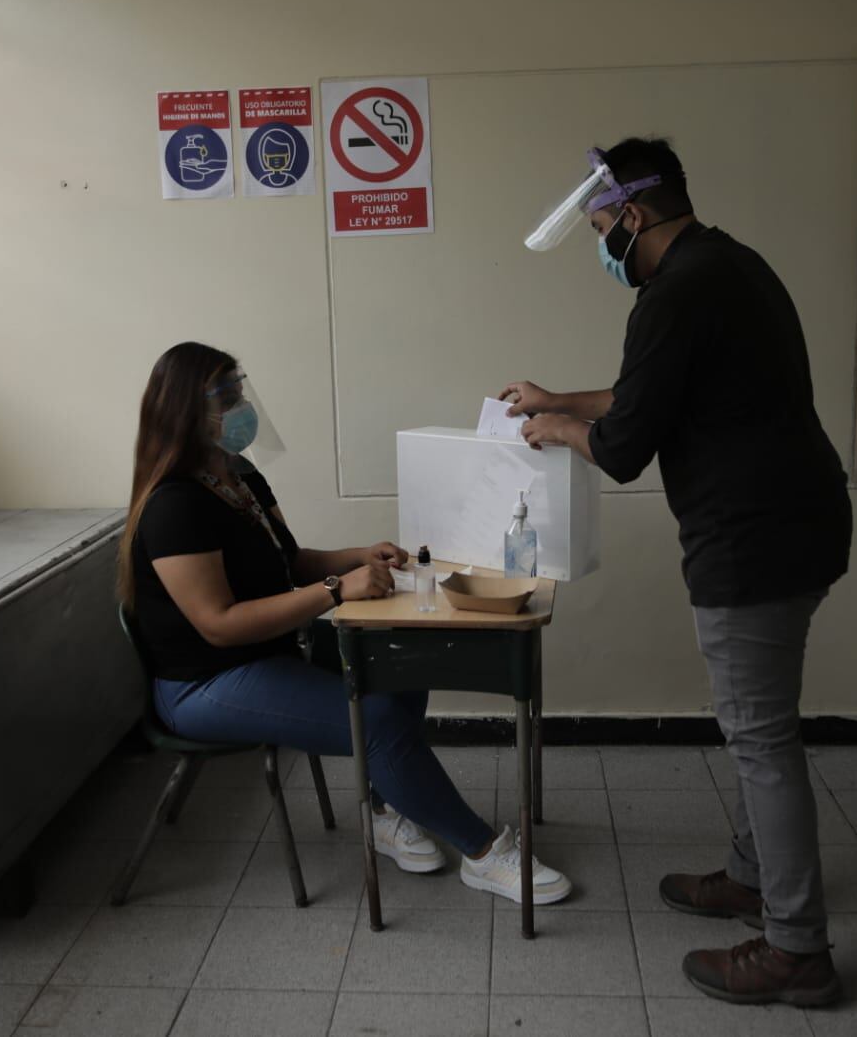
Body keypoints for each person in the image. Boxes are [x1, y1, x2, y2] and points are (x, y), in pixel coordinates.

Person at [504, 138, 851, 1006]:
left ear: (631, 214)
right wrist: (558, 398)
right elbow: (650, 395)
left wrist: (557, 432)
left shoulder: (672, 294)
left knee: (762, 741)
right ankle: (753, 876)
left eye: (600, 231)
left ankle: (796, 950)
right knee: (760, 728)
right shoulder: (728, 265)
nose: (602, 249)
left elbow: (623, 446)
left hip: (752, 539)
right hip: (799, 519)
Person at [117, 341, 571, 904]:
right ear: (186, 411)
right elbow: (219, 625)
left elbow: (288, 560)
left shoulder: (239, 476)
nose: (241, 408)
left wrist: (356, 557)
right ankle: (481, 854)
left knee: (400, 658)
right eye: (225, 397)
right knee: (376, 723)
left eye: (239, 391)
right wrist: (335, 590)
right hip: (205, 681)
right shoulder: (174, 506)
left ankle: (383, 809)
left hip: (270, 648)